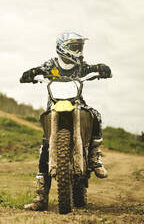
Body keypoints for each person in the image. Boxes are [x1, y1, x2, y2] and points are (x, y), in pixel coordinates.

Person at [20, 32, 112, 211]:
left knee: (95, 116)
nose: (78, 51)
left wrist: (101, 69)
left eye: (79, 47)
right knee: (45, 147)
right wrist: (31, 74)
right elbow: (39, 70)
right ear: (64, 48)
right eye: (75, 47)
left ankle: (94, 156)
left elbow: (91, 68)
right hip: (54, 107)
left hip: (77, 104)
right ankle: (40, 197)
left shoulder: (80, 66)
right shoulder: (51, 65)